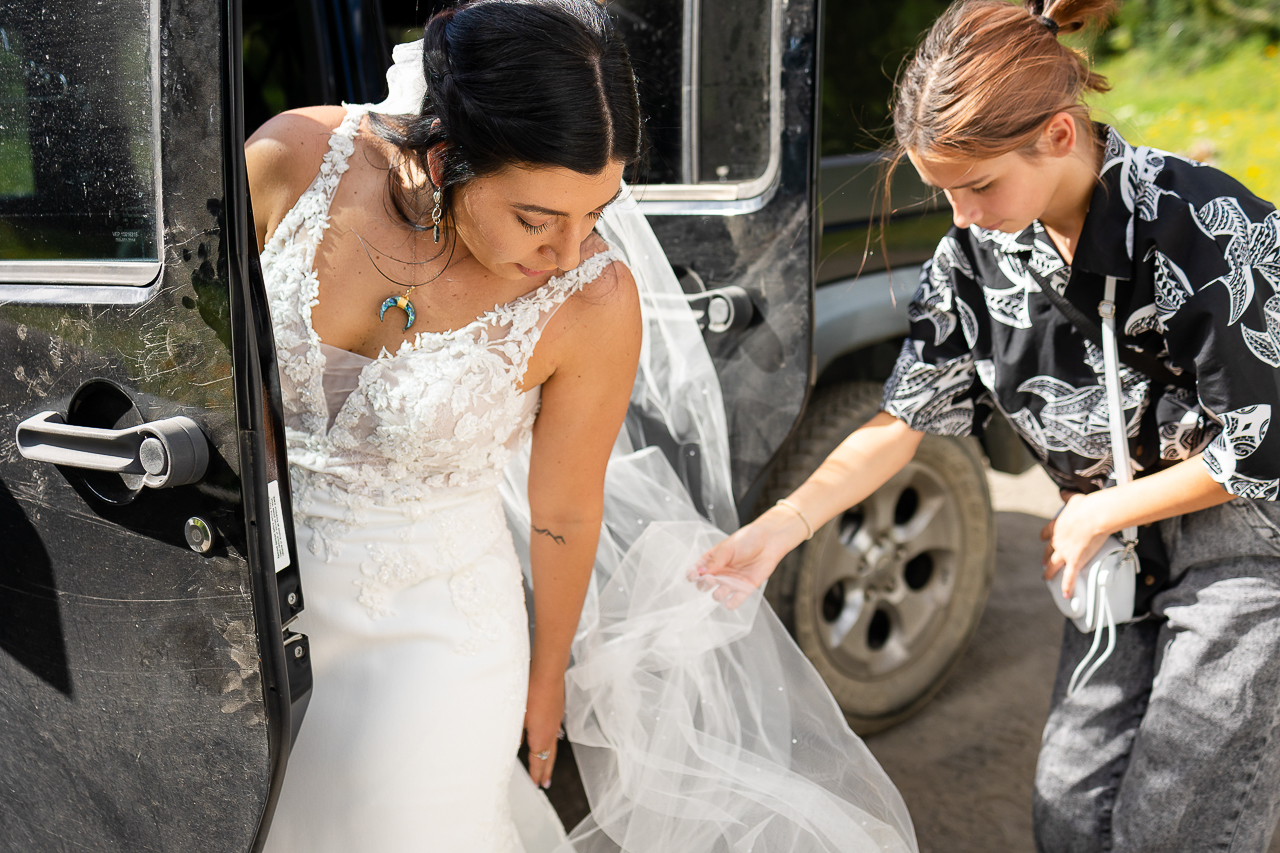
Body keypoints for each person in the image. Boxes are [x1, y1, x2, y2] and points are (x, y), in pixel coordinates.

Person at [246, 1, 918, 851]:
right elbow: (206, 371)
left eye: (596, 214)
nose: (568, 253)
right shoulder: (288, 162)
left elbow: (564, 512)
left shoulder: (593, 300)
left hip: (432, 637)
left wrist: (546, 676)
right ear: (447, 155)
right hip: (250, 609)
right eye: (538, 219)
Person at [699, 1, 1280, 851]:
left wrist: (1095, 510)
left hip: (1242, 533)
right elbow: (903, 418)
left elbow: (1263, 447)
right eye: (944, 193)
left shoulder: (1202, 227)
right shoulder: (974, 254)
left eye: (977, 186)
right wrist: (782, 527)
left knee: (1180, 819)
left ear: (1055, 135)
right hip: (1115, 543)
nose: (962, 217)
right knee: (1068, 810)